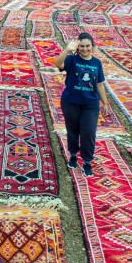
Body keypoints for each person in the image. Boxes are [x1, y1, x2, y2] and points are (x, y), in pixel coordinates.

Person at [54, 32, 109, 177]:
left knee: (88, 132)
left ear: (93, 47)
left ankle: (87, 162)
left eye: (88, 46)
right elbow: (57, 63)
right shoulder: (72, 59)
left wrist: (105, 103)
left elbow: (100, 84)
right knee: (73, 131)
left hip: (90, 104)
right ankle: (73, 155)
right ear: (78, 47)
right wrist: (67, 50)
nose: (85, 49)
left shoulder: (97, 63)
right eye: (82, 46)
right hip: (70, 102)